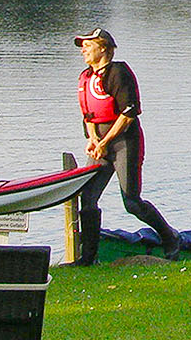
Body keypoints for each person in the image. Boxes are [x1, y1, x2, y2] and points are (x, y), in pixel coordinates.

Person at [73, 28, 179, 264]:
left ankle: (170, 238)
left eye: (88, 45)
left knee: (131, 201)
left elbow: (128, 113)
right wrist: (93, 140)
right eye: (82, 46)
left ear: (103, 48)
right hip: (100, 143)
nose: (83, 50)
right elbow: (88, 114)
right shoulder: (86, 77)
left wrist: (105, 142)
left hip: (123, 141)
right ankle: (88, 257)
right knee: (88, 199)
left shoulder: (118, 72)